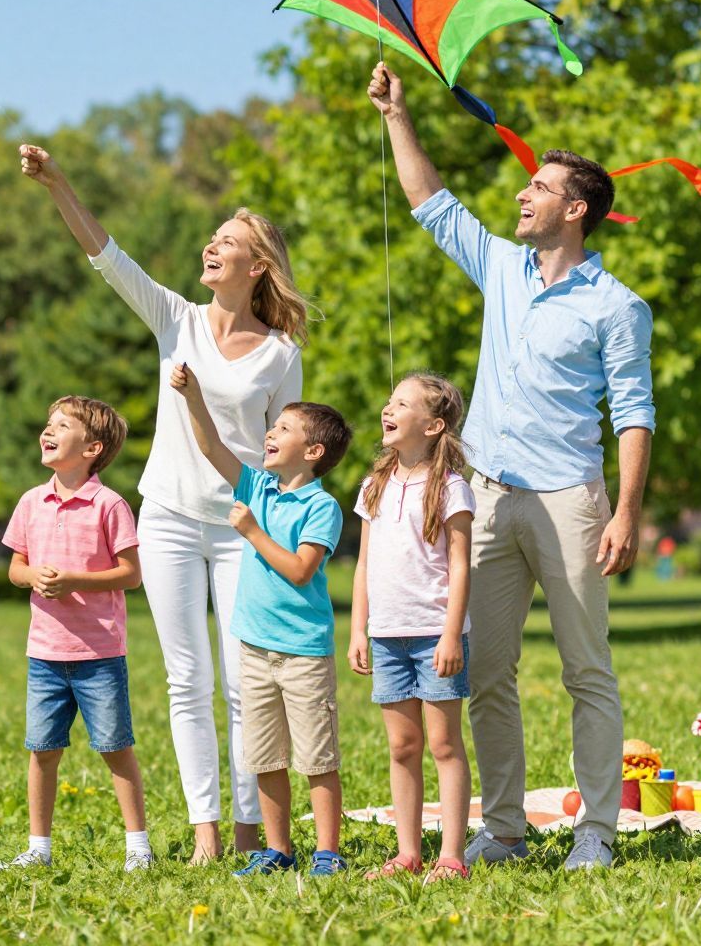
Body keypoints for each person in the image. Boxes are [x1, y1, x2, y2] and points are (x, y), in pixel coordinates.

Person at [368, 62, 656, 871]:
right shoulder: (499, 266)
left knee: (585, 670)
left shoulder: (617, 306)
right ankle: (503, 830)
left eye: (539, 187)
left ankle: (596, 829)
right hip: (487, 498)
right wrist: (397, 114)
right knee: (485, 673)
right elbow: (431, 202)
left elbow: (634, 414)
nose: (522, 195)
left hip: (571, 501)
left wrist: (626, 512)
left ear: (577, 209)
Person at [20, 144, 309, 863]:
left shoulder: (281, 354)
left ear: (258, 267)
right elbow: (106, 254)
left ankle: (252, 832)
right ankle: (206, 835)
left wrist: (276, 527)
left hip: (243, 529)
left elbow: (284, 455)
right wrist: (59, 183)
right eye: (213, 240)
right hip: (172, 521)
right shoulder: (174, 319)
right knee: (187, 681)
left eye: (229, 244)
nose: (211, 247)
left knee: (246, 683)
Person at [169, 362, 352, 877]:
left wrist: (249, 532)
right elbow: (212, 449)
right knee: (265, 758)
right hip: (254, 649)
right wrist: (194, 398)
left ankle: (327, 852)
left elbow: (300, 570)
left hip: (302, 652)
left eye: (285, 429)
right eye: (274, 428)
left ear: (313, 452)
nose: (271, 433)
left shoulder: (321, 507)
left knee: (316, 758)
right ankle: (278, 850)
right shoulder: (258, 486)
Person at [0, 396, 151, 873]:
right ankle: (38, 849)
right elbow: (15, 568)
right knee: (42, 751)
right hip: (44, 653)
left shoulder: (110, 505)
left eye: (61, 425)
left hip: (99, 654)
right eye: (48, 423)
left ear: (92, 447)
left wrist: (74, 580)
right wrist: (32, 577)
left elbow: (130, 575)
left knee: (114, 748)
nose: (48, 430)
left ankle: (138, 847)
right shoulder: (30, 502)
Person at [348, 373, 475, 883]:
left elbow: (462, 566)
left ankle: (450, 855)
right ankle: (407, 853)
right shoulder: (373, 485)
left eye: (402, 402)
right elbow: (362, 565)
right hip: (387, 635)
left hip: (434, 636)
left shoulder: (452, 488)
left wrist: (450, 635)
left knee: (444, 745)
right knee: (402, 747)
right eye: (389, 398)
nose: (388, 407)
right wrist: (359, 630)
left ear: (433, 424)